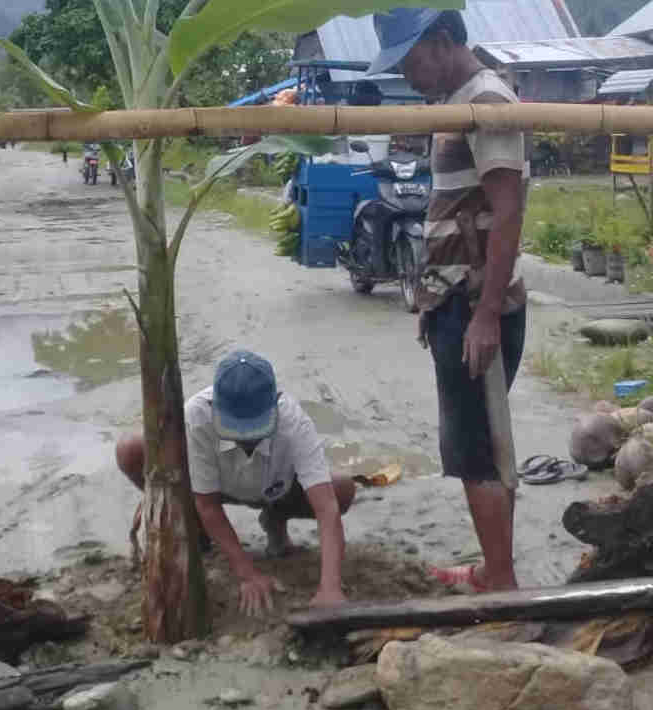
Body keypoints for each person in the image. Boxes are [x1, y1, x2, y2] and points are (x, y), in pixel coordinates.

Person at [367, 9, 529, 593]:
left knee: (475, 445)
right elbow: (457, 210)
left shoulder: (486, 99)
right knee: (476, 438)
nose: (407, 77)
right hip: (455, 301)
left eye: (410, 63)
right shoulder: (456, 102)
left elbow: (508, 212)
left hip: (476, 303)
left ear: (440, 41)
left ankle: (500, 580)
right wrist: (433, 301)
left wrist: (485, 314)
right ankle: (494, 568)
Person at [116, 350, 357, 615]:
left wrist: (330, 587)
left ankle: (275, 521)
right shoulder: (195, 416)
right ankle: (197, 531)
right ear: (215, 408)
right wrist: (247, 573)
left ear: (275, 406)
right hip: (215, 488)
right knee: (131, 449)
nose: (245, 439)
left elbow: (326, 507)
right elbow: (207, 504)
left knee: (342, 488)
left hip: (277, 489)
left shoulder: (294, 422)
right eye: (237, 429)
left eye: (254, 430)